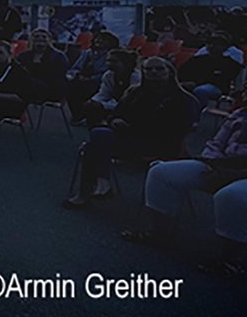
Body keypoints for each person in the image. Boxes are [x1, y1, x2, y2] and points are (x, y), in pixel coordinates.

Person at [120, 107, 247, 276]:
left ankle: (232, 260)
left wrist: (232, 173)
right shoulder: (240, 114)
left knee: (231, 196)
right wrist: (211, 163)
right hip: (220, 166)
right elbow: (216, 144)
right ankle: (161, 233)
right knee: (161, 173)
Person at [63, 57, 195, 208]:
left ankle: (95, 187)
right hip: (129, 139)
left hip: (161, 144)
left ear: (170, 73)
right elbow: (116, 114)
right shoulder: (135, 92)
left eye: (159, 69)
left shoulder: (184, 100)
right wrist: (115, 121)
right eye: (148, 69)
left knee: (95, 146)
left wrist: (132, 128)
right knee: (98, 135)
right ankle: (95, 186)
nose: (154, 72)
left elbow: (175, 131)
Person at [179, 32, 245, 125]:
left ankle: (196, 119)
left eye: (216, 44)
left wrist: (196, 83)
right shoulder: (197, 59)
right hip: (193, 84)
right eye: (210, 44)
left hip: (216, 88)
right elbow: (182, 72)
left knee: (201, 91)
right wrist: (183, 82)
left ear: (224, 47)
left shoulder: (230, 63)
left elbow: (221, 79)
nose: (212, 46)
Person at [66, 31, 121, 124]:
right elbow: (75, 68)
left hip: (100, 82)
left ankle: (88, 115)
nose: (99, 40)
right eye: (98, 38)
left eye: (103, 39)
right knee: (71, 87)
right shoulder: (87, 53)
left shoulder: (111, 55)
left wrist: (90, 79)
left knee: (86, 89)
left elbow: (107, 73)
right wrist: (77, 75)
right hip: (82, 80)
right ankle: (77, 116)